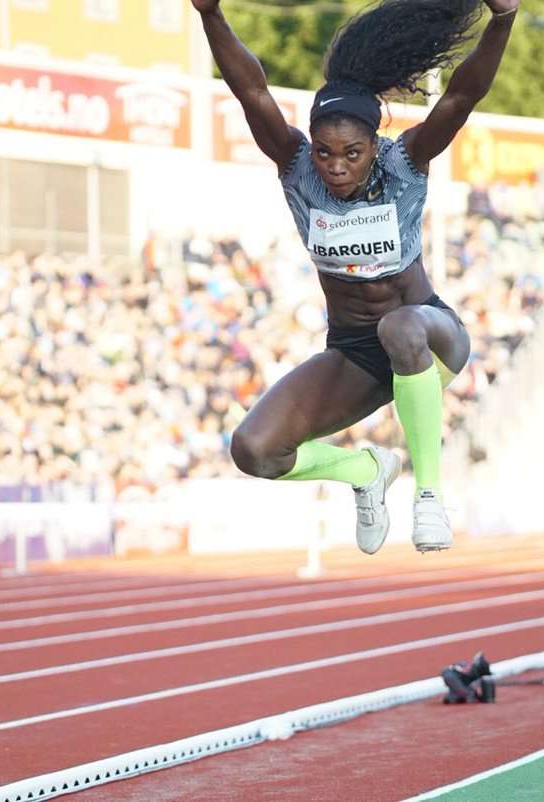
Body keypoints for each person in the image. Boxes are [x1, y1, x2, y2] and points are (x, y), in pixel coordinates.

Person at [193, 0, 517, 553]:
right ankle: (366, 471)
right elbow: (252, 92)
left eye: (351, 153)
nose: (335, 166)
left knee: (400, 328)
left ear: (375, 146)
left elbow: (463, 95)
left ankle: (429, 496)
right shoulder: (297, 168)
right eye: (324, 152)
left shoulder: (405, 162)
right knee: (254, 449)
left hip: (429, 335)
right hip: (356, 353)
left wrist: (504, 21)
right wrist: (211, 15)